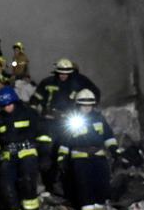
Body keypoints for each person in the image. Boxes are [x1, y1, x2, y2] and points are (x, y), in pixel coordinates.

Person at [56, 89, 119, 210]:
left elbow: (108, 136)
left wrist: (114, 151)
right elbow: (65, 141)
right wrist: (62, 157)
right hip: (80, 158)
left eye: (89, 105)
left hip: (98, 156)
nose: (87, 108)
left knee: (101, 186)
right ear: (78, 105)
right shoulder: (72, 120)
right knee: (85, 187)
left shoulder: (99, 118)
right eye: (83, 105)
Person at [31, 58, 101, 191]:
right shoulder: (47, 83)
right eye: (60, 73)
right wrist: (35, 113)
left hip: (68, 122)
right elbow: (35, 100)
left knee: (69, 151)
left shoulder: (78, 82)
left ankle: (70, 183)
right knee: (46, 153)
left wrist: (90, 110)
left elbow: (94, 94)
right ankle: (48, 184)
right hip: (48, 122)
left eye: (66, 73)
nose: (63, 76)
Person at [0, 86, 42, 210]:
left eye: (9, 104)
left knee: (27, 187)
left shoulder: (29, 113)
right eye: (4, 106)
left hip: (27, 153)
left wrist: (44, 156)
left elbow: (41, 133)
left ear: (15, 101)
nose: (7, 108)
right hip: (8, 156)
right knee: (7, 190)